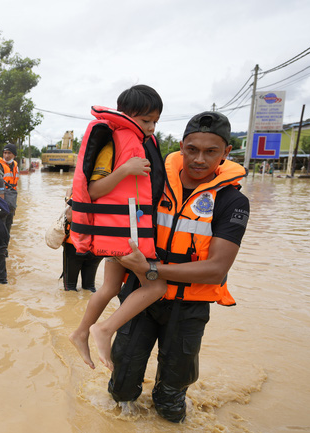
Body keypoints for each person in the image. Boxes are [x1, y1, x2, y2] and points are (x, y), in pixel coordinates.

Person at [107, 111, 249, 423]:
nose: (199, 159)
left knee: (171, 398)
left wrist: (153, 269)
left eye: (211, 152)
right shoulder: (153, 183)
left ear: (226, 152)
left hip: (189, 307)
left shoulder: (232, 201)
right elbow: (117, 218)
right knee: (121, 385)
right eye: (192, 149)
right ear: (181, 146)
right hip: (140, 297)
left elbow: (215, 268)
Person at [68, 85, 167, 372]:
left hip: (125, 232)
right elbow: (93, 190)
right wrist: (125, 170)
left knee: (111, 286)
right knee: (156, 285)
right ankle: (105, 329)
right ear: (126, 115)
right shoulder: (113, 142)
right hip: (127, 237)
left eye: (154, 122)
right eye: (145, 120)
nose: (150, 127)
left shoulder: (140, 142)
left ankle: (80, 333)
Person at [61, 187, 102, 292]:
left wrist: (68, 197)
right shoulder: (109, 192)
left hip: (75, 243)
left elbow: (69, 216)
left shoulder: (80, 190)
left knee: (70, 287)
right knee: (89, 287)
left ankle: (71, 307)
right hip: (98, 243)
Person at [0, 144, 19, 234]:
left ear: (14, 155)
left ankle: (6, 244)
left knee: (9, 223)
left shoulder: (15, 165)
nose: (7, 156)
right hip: (1, 199)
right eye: (5, 153)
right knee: (1, 224)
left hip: (11, 198)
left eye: (9, 153)